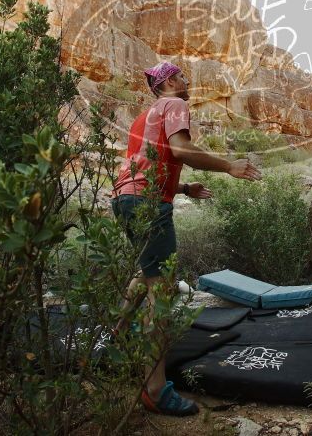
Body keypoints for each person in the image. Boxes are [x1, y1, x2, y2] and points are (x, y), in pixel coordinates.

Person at [110, 60, 262, 416]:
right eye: (179, 76)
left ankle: (119, 329)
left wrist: (183, 188)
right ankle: (155, 389)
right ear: (167, 83)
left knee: (147, 272)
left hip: (124, 198)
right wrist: (229, 166)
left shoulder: (142, 117)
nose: (185, 80)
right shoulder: (175, 104)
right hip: (146, 202)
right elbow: (180, 150)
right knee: (160, 293)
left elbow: (144, 168)